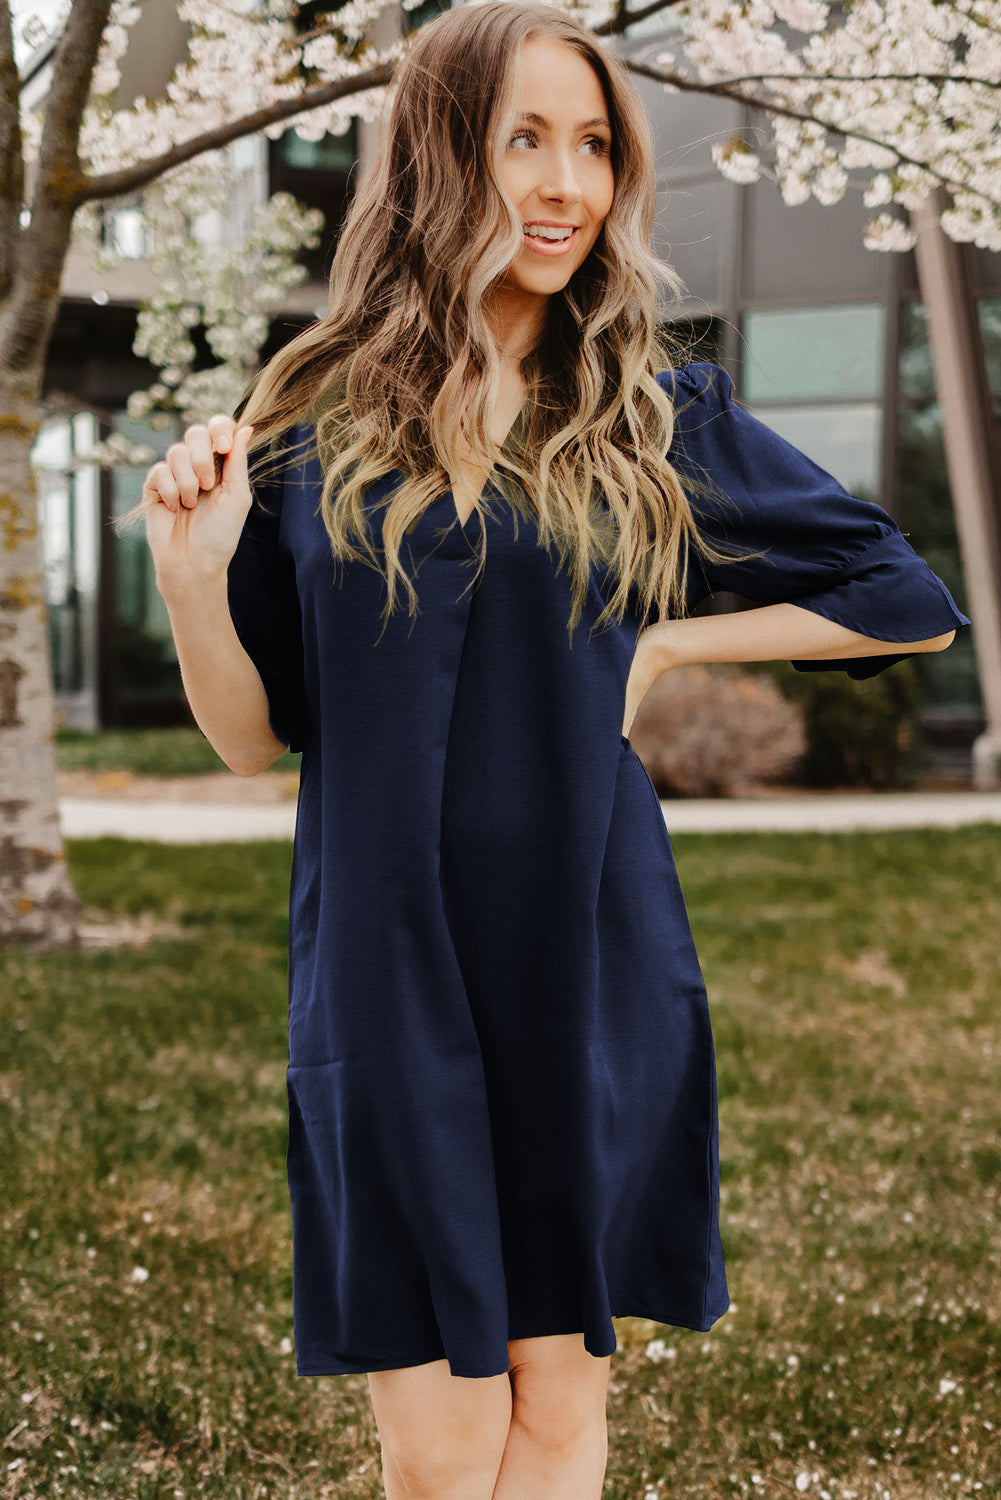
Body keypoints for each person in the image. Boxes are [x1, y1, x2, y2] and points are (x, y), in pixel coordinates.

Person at [139, 4, 968, 1496]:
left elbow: (904, 602)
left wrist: (660, 643)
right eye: (523, 138)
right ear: (440, 158)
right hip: (387, 964)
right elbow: (256, 741)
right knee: (442, 1444)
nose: (566, 183)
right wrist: (196, 579)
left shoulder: (651, 415)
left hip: (587, 956)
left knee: (555, 1415)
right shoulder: (309, 423)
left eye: (591, 147)